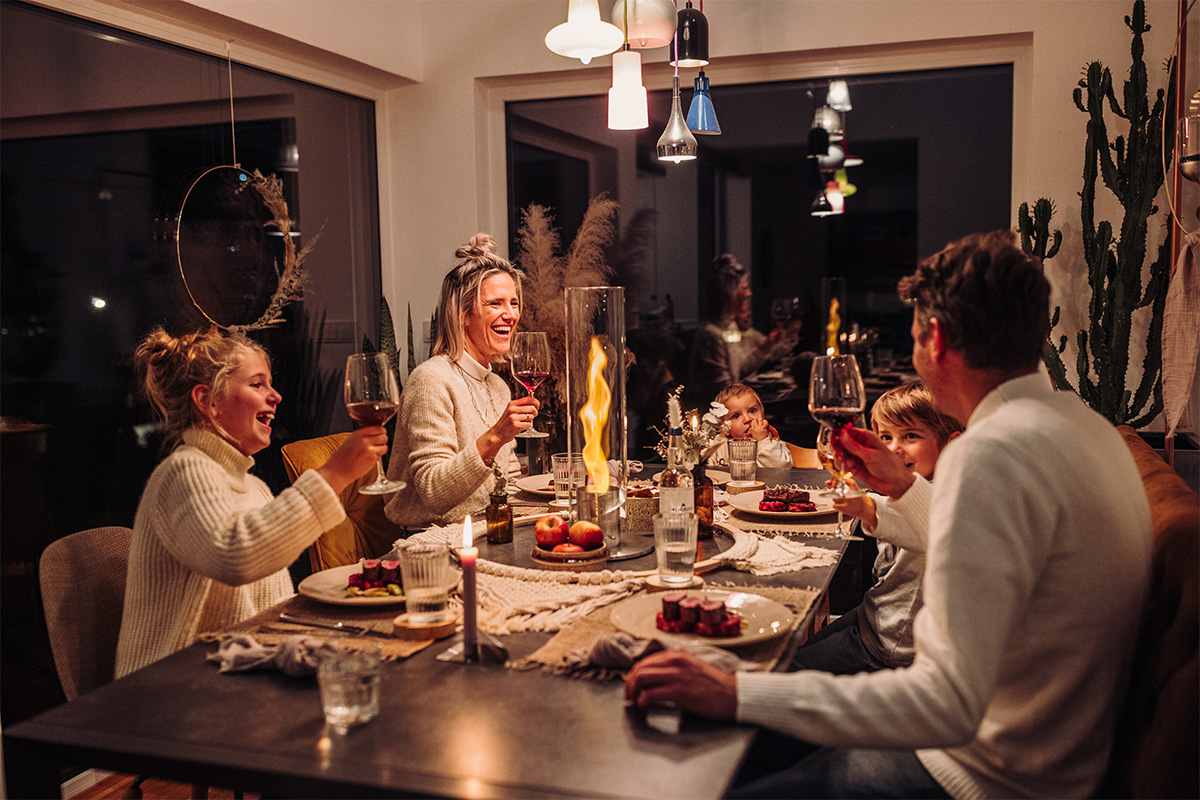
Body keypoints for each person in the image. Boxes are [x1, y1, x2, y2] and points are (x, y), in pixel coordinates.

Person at [625, 230, 1153, 798]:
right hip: (1059, 752)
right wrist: (901, 486)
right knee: (731, 734)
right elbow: (987, 550)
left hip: (979, 774)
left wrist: (737, 693)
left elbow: (942, 703)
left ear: (937, 339)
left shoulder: (994, 452)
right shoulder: (1083, 425)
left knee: (706, 755)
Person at [115, 327, 386, 678]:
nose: (275, 396)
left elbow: (269, 607)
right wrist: (333, 474)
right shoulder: (183, 472)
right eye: (257, 384)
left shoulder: (253, 487)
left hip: (236, 673)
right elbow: (236, 556)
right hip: (172, 687)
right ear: (207, 401)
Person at [792, 381, 962, 675]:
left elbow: (922, 520)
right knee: (792, 651)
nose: (894, 449)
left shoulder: (949, 497)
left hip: (892, 643)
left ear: (951, 443)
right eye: (885, 437)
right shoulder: (913, 487)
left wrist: (866, 507)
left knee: (786, 670)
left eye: (910, 436)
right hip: (873, 615)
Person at [384, 233, 536, 530]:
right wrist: (496, 436)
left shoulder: (497, 386)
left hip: (487, 530)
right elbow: (433, 492)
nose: (510, 315)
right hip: (431, 541)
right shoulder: (431, 380)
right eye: (496, 303)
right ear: (463, 314)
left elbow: (510, 481)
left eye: (514, 303)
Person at [685, 255, 793, 408]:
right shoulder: (710, 334)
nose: (749, 293)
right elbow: (722, 391)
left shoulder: (730, 327)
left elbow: (738, 371)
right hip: (708, 417)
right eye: (744, 288)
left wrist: (768, 345)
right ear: (730, 294)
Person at [705, 383, 792, 469]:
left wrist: (762, 441)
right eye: (736, 416)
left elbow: (782, 468)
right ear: (724, 428)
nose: (747, 419)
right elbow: (705, 469)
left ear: (762, 413)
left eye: (752, 411)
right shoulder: (718, 446)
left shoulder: (772, 442)